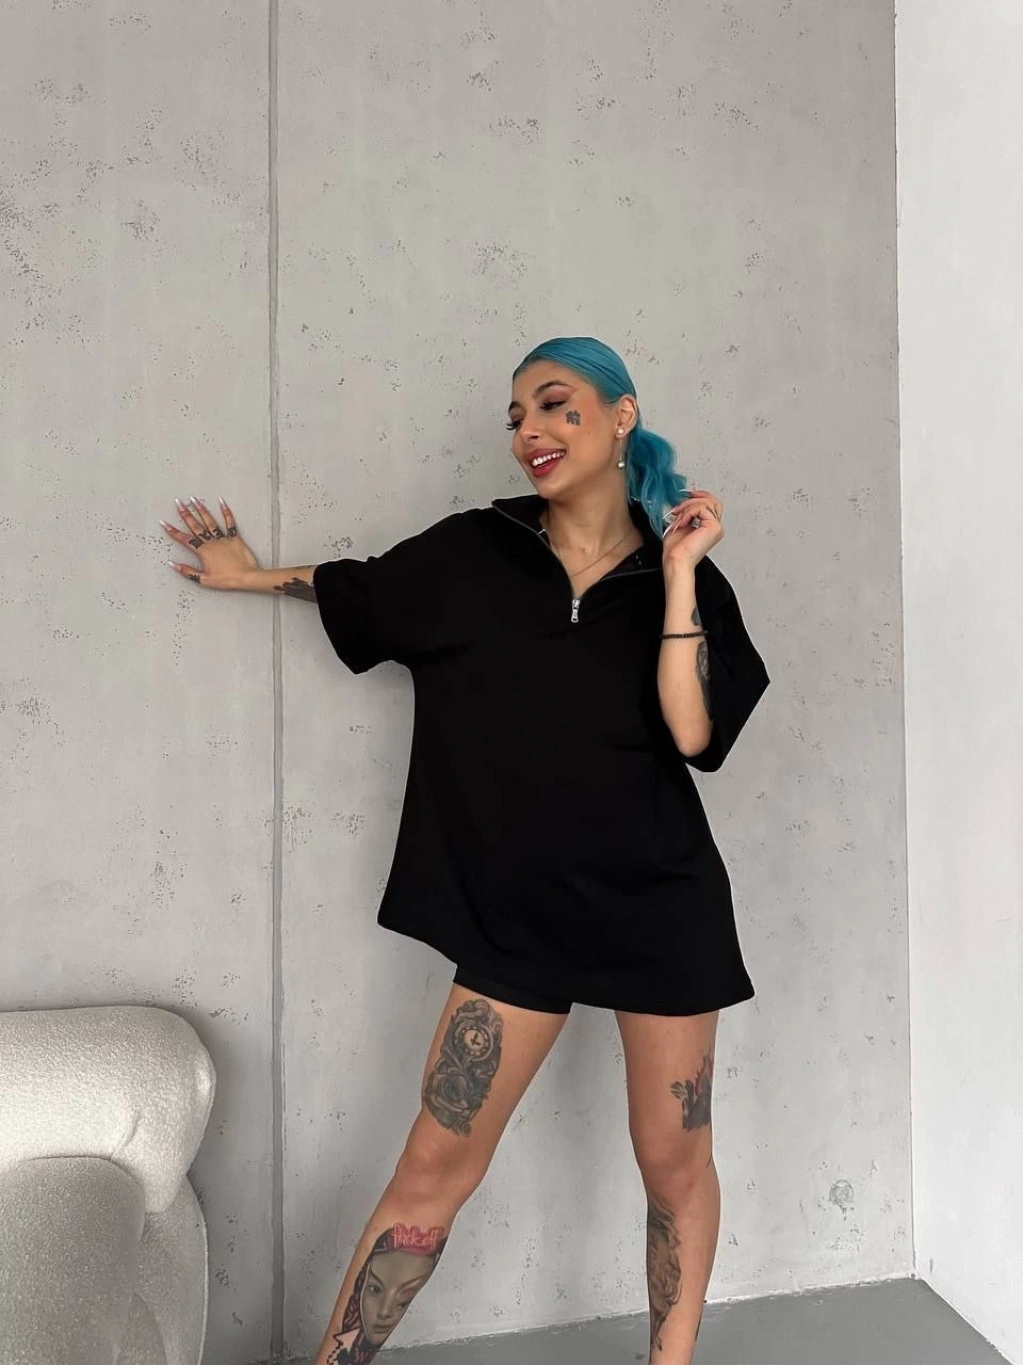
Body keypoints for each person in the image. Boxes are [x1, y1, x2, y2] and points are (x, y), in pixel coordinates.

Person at [161, 336, 770, 1365]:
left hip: (661, 908)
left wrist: (677, 576)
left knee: (673, 1165)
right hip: (513, 915)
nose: (531, 430)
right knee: (432, 1168)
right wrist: (253, 575)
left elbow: (693, 734)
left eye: (557, 405)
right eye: (517, 416)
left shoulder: (684, 575)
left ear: (621, 415)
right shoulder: (475, 551)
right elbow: (364, 589)